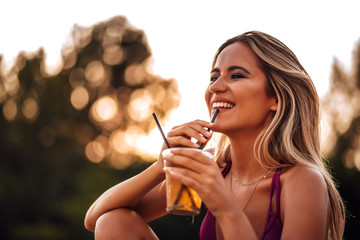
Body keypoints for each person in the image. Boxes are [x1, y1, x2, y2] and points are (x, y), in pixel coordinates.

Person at [84, 31, 345, 239]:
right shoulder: (214, 168)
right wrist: (160, 166)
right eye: (214, 76)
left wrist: (223, 204)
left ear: (275, 98)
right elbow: (96, 220)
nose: (216, 87)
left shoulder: (302, 180)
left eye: (236, 75)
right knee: (114, 221)